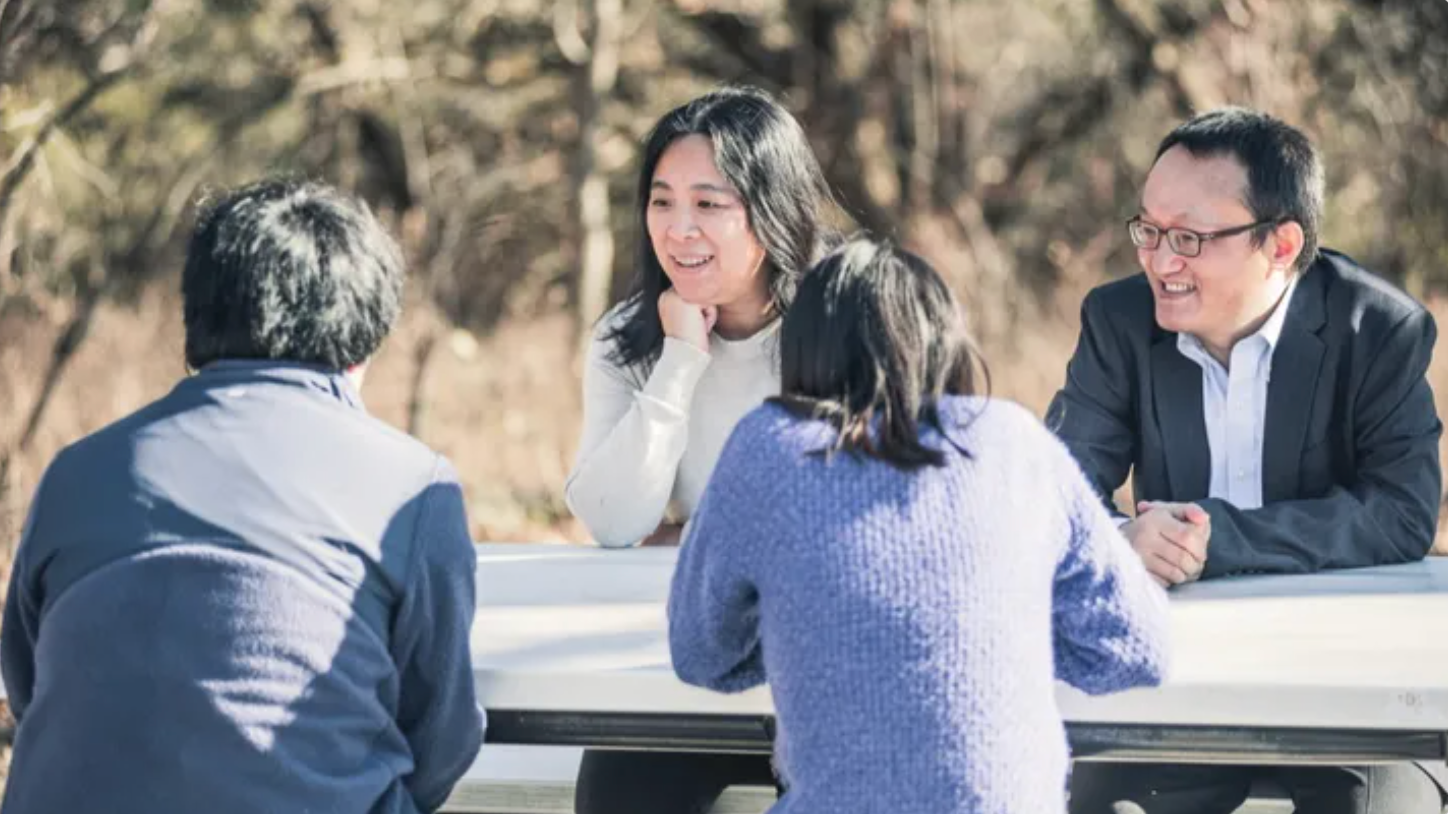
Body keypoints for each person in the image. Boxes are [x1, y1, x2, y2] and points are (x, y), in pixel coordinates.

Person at [0, 179, 484, 814]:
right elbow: (440, 737)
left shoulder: (77, 472)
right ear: (367, 334)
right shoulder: (413, 488)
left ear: (194, 316)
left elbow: (32, 684)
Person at [669, 238, 1171, 814]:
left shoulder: (770, 448)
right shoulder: (1015, 441)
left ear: (801, 350)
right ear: (950, 341)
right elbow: (1137, 649)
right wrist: (990, 626)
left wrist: (826, 631)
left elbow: (701, 652)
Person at [1048, 108, 1445, 813]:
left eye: (1190, 238)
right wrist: (1117, 539)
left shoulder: (1379, 328)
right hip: (1170, 675)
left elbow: (1402, 511)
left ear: (1282, 243)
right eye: (1149, 229)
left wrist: (1216, 540)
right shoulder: (1117, 321)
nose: (1159, 260)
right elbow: (1057, 491)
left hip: (1352, 682)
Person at [565, 86, 839, 814]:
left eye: (709, 205)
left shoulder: (848, 320)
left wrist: (699, 532)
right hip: (679, 664)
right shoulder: (627, 339)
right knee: (615, 796)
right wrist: (681, 357)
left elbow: (870, 517)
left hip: (833, 666)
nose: (679, 229)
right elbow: (616, 521)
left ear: (772, 208)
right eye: (662, 202)